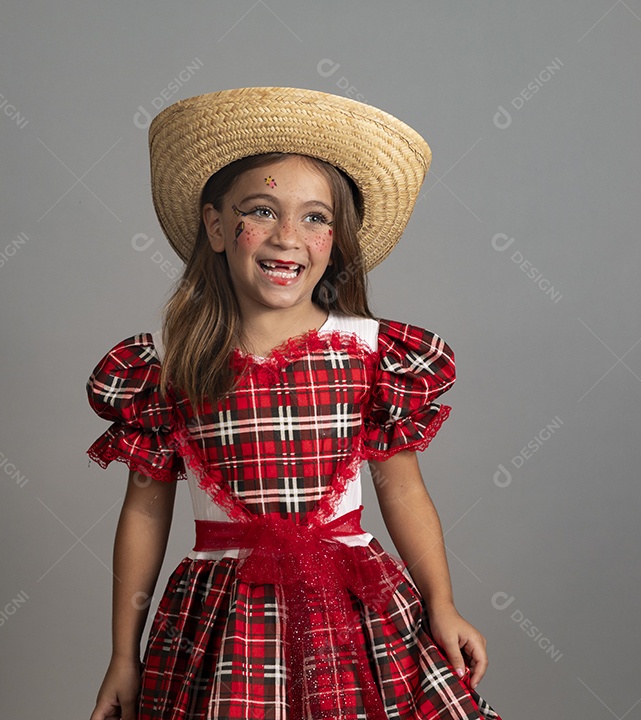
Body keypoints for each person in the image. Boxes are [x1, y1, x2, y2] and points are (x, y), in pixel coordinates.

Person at [87, 87, 503, 720]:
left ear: (336, 240)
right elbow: (145, 513)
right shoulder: (171, 369)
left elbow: (403, 491)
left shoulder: (370, 352)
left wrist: (440, 604)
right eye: (262, 210)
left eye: (315, 217)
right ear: (218, 226)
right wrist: (124, 655)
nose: (288, 236)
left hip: (355, 612)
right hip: (226, 620)